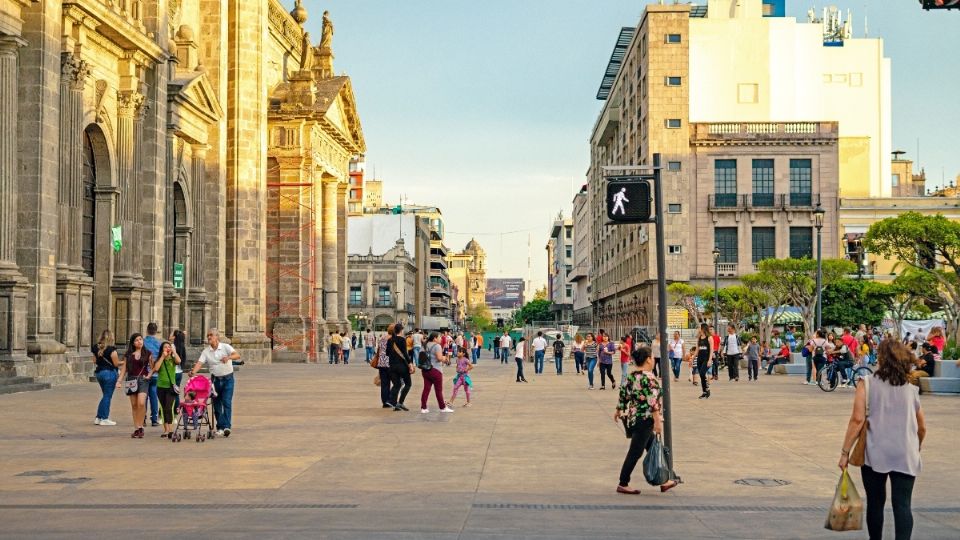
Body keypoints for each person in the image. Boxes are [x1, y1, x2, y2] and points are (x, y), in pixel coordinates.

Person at [838, 339, 926, 540]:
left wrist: (845, 452)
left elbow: (857, 420)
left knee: (876, 503)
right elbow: (922, 426)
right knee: (902, 504)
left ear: (881, 358)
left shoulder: (866, 383)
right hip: (905, 452)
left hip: (874, 452)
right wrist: (916, 445)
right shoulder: (911, 388)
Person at [613, 346, 679, 495]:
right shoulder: (649, 378)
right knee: (635, 452)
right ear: (648, 359)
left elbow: (624, 393)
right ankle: (623, 482)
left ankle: (665, 480)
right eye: (652, 357)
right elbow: (653, 402)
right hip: (645, 419)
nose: (654, 359)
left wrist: (618, 409)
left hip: (634, 418)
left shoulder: (632, 376)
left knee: (654, 447)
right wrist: (657, 422)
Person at [191, 328, 240, 437]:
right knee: (217, 404)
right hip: (215, 381)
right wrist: (193, 372)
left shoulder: (225, 347)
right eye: (208, 335)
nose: (209, 337)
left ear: (217, 337)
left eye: (211, 335)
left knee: (227, 402)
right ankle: (220, 427)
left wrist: (228, 357)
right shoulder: (206, 351)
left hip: (228, 379)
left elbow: (237, 355)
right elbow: (200, 362)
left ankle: (227, 426)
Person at [118, 333, 152, 438]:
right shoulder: (128, 355)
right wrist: (119, 381)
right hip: (131, 380)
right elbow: (124, 369)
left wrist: (150, 375)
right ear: (133, 343)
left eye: (141, 339)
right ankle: (136, 428)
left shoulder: (147, 353)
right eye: (137, 340)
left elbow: (153, 367)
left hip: (143, 379)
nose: (139, 341)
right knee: (134, 405)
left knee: (141, 403)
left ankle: (141, 426)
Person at [153, 341, 181, 438]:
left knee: (169, 407)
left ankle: (170, 429)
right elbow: (156, 368)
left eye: (169, 347)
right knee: (163, 408)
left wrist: (174, 351)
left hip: (170, 387)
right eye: (165, 347)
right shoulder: (160, 359)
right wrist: (162, 357)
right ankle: (166, 430)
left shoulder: (172, 359)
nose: (167, 348)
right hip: (160, 387)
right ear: (162, 349)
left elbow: (179, 361)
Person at [92, 330, 120, 426]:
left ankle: (98, 417)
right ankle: (104, 418)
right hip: (109, 373)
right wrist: (125, 362)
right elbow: (116, 363)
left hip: (99, 373)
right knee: (108, 396)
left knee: (105, 396)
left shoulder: (96, 347)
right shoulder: (112, 349)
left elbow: (94, 361)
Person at [421, 332, 454, 413]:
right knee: (438, 390)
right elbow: (439, 358)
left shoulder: (424, 345)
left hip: (425, 370)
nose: (440, 339)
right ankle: (442, 407)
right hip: (435, 370)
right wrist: (445, 358)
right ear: (435, 338)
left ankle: (423, 408)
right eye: (439, 337)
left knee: (426, 389)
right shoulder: (437, 346)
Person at [388, 323, 413, 411]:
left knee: (397, 384)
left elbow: (387, 353)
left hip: (392, 366)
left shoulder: (390, 340)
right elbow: (405, 353)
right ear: (401, 330)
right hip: (402, 366)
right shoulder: (402, 340)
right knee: (408, 384)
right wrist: (410, 363)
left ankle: (393, 403)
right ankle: (400, 402)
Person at [143, 322, 162, 427]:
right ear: (156, 331)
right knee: (154, 396)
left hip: (145, 372)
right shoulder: (159, 344)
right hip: (155, 372)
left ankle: (143, 418)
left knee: (144, 396)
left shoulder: (143, 342)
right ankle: (154, 419)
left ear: (147, 330)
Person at [375, 325, 394, 408]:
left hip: (382, 363)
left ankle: (385, 402)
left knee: (384, 384)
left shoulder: (382, 338)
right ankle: (390, 400)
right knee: (398, 383)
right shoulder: (393, 340)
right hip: (391, 363)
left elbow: (378, 351)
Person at [169, 329, 187, 409]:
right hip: (179, 372)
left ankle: (173, 410)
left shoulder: (172, 346)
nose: (170, 336)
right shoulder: (182, 346)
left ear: (174, 337)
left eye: (172, 334)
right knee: (176, 392)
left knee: (170, 393)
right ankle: (177, 410)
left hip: (173, 372)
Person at [695, 324, 712, 399]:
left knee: (702, 373)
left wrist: (710, 360)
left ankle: (707, 387)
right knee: (702, 376)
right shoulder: (699, 338)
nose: (698, 329)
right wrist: (692, 358)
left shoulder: (709, 338)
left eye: (699, 327)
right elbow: (697, 349)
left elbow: (711, 350)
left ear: (703, 328)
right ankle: (704, 392)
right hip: (700, 359)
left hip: (706, 359)